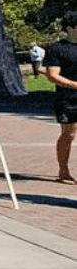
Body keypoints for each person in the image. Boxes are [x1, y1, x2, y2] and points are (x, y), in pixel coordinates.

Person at [42, 12, 77, 185]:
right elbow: (52, 75)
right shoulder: (57, 49)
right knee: (69, 134)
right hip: (68, 98)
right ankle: (63, 170)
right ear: (71, 28)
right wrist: (75, 85)